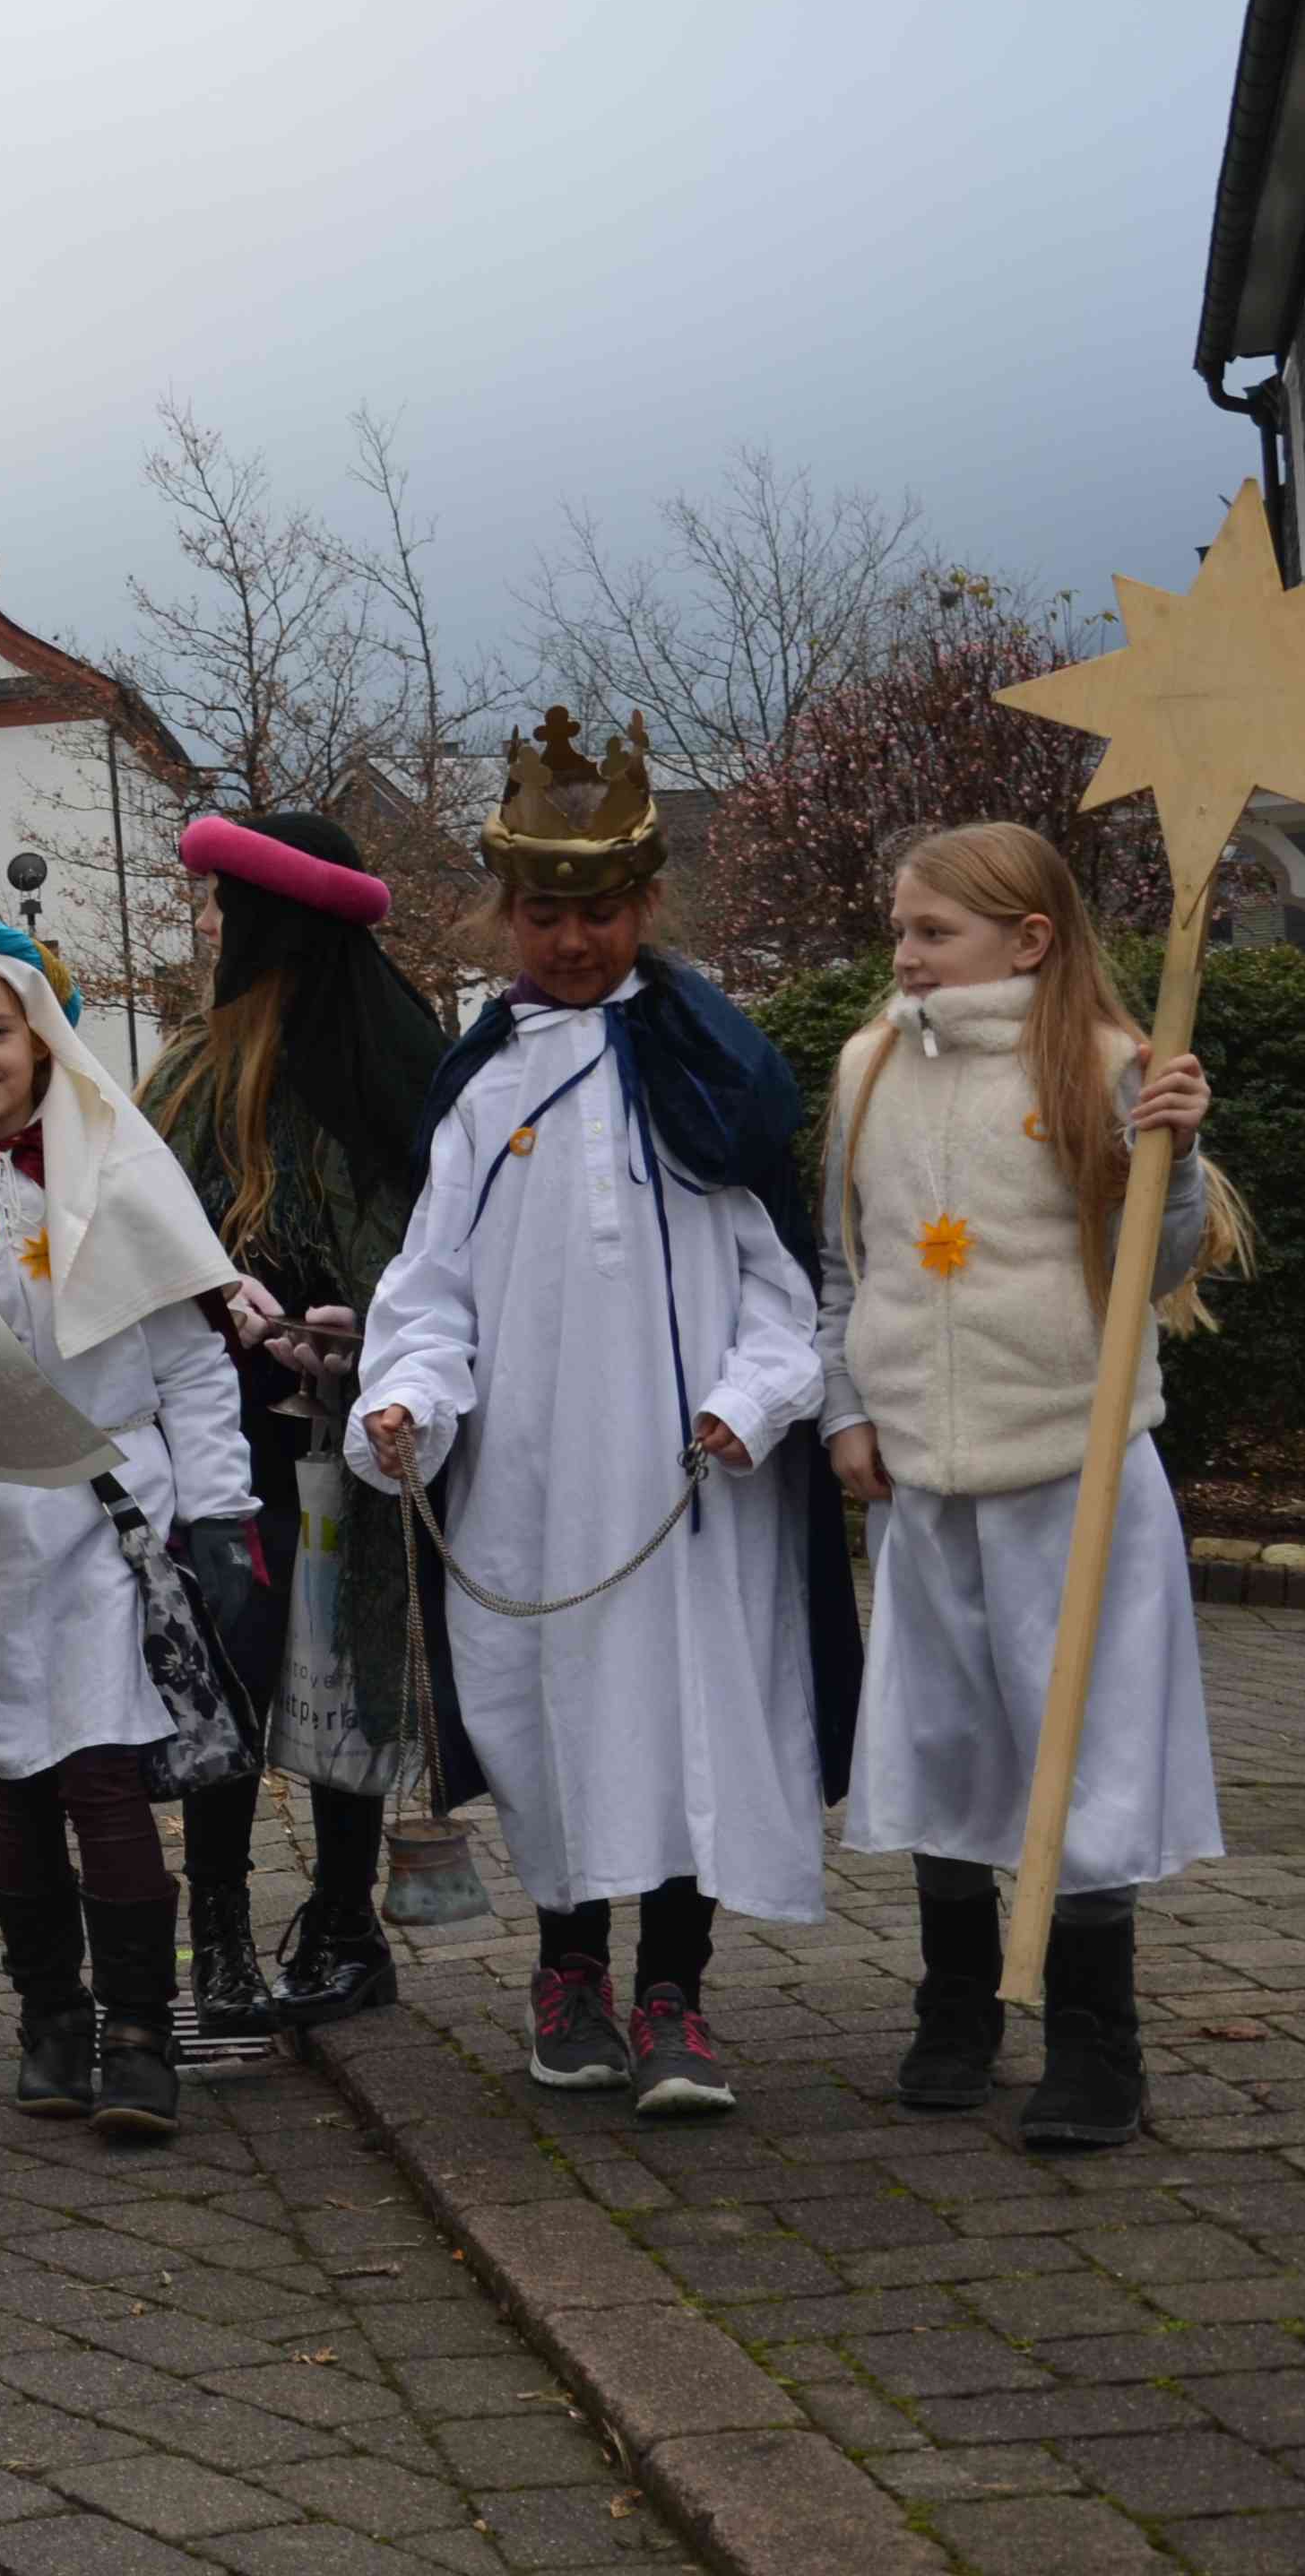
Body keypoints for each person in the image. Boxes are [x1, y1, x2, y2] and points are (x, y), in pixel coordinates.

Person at [350, 713, 860, 2121]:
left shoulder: (715, 1074)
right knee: (554, 1717)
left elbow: (785, 1290)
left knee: (689, 1718)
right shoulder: (484, 1086)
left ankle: (676, 1993)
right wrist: (406, 1398)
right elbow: (432, 1281)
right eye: (545, 914)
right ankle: (568, 1972)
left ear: (644, 908)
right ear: (507, 916)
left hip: (686, 1482)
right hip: (528, 1473)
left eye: (599, 912)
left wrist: (751, 1402)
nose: (571, 941)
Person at [824, 823, 1240, 2152]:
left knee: (1086, 1743)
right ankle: (956, 2009)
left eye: (934, 933)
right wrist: (847, 1408)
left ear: (1030, 938)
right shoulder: (869, 1067)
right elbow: (850, 1261)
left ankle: (1095, 2042)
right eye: (901, 931)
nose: (907, 957)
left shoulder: (1107, 1068)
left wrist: (1166, 1156)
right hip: (928, 1475)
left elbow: (1146, 1262)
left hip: (1071, 1467)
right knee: (949, 1737)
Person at [0, 922, 255, 2139]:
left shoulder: (117, 1173)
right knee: (17, 1780)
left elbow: (191, 1363)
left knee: (105, 1771)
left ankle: (139, 2026)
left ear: (40, 1037)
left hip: (113, 1515)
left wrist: (225, 1513)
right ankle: (50, 2019)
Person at [138, 813, 453, 2036]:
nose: (206, 924)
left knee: (344, 1670)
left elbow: (436, 1251)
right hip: (223, 1431)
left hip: (350, 1426)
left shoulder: (389, 1066)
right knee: (226, 1666)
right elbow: (145, 1238)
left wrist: (362, 1331)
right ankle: (215, 1936)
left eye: (219, 902)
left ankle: (343, 1923)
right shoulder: (185, 1072)